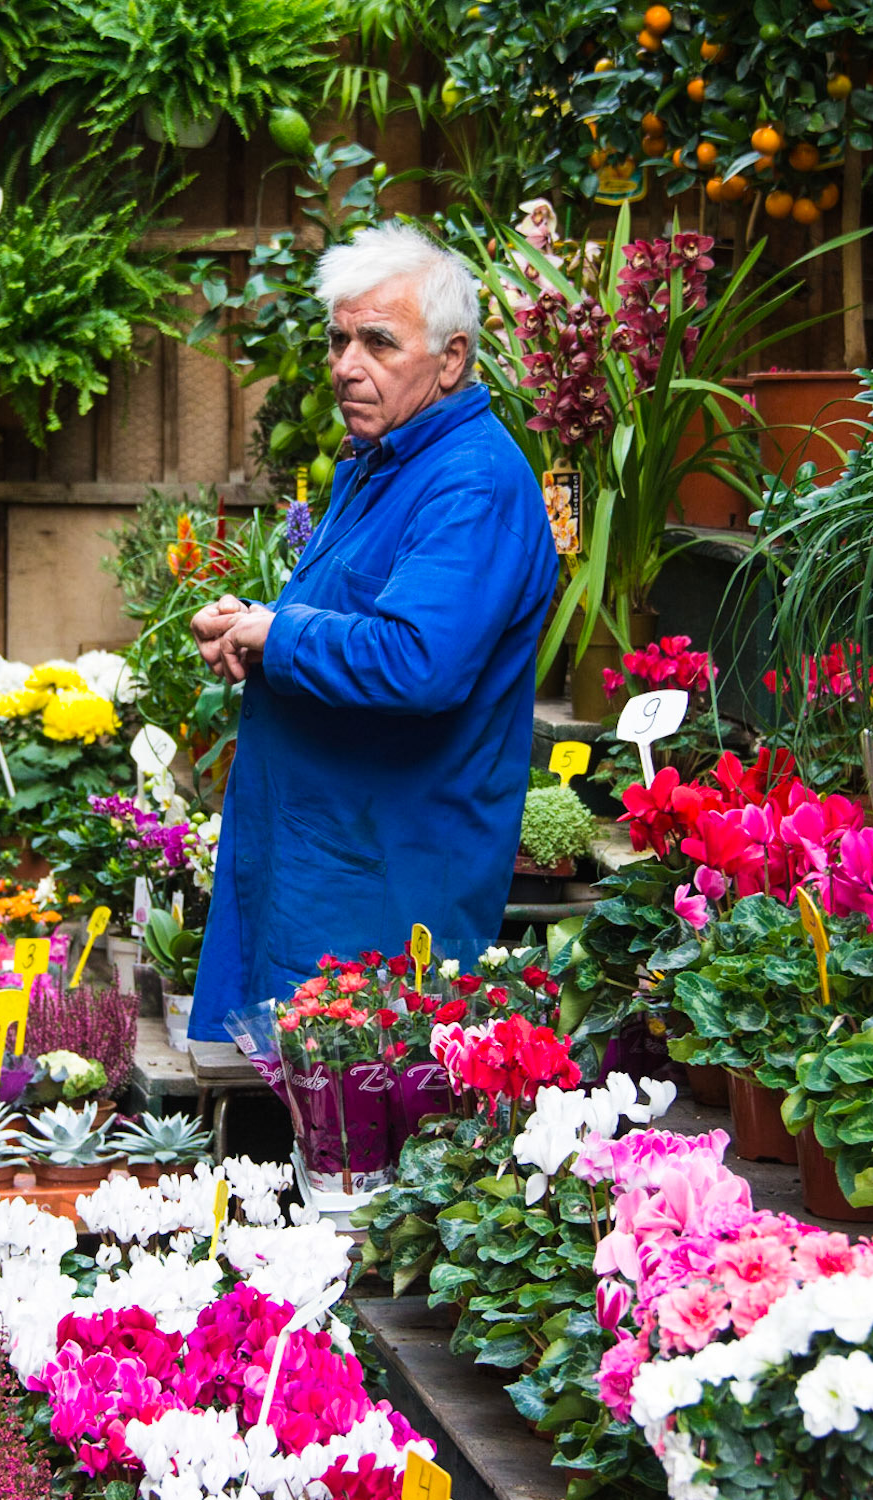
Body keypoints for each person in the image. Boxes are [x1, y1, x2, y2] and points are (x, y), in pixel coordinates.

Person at [187, 220, 558, 1038]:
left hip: (386, 883)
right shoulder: (386, 458)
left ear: (451, 359)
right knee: (305, 1123)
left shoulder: (469, 482)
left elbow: (416, 660)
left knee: (360, 1128)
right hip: (328, 863)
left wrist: (272, 634)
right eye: (338, 340)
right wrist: (258, 629)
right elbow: (349, 622)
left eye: (378, 343)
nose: (346, 366)